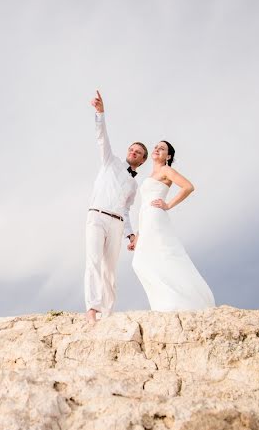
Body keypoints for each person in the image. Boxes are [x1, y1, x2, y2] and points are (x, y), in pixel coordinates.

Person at [85, 90, 148, 326]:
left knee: (109, 270)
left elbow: (126, 211)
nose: (134, 152)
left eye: (139, 153)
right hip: (96, 216)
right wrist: (100, 113)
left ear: (142, 161)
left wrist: (131, 234)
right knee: (92, 261)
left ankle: (108, 313)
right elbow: (102, 137)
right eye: (132, 149)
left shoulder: (133, 184)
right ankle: (92, 309)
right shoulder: (110, 161)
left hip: (116, 223)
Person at [129, 141, 215, 311]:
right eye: (156, 147)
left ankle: (175, 301)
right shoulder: (151, 174)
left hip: (155, 215)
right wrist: (138, 236)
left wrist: (168, 205)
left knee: (153, 257)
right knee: (143, 260)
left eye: (162, 149)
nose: (157, 150)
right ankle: (165, 301)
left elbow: (188, 187)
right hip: (147, 218)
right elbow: (144, 205)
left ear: (168, 156)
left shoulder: (166, 170)